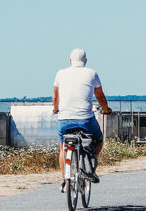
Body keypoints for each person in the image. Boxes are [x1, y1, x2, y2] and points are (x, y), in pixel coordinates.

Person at [53, 48, 111, 191]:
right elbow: (100, 97)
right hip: (85, 119)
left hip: (64, 119)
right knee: (99, 139)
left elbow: (56, 97)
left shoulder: (60, 73)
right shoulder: (92, 73)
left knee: (62, 147)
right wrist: (106, 110)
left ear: (70, 60)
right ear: (85, 61)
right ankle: (89, 168)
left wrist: (56, 109)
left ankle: (66, 182)